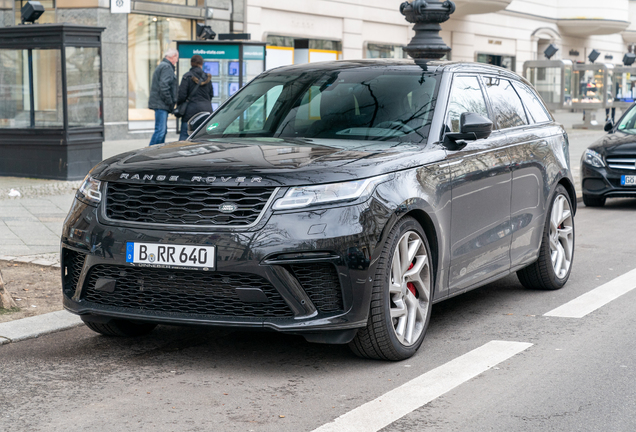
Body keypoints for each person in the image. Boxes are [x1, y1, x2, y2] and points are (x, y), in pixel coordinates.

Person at [176, 54, 214, 141]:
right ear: (202, 64)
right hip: (206, 111)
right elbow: (211, 95)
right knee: (204, 138)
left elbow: (181, 95)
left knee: (185, 138)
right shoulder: (207, 78)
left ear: (191, 63)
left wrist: (180, 105)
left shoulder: (187, 77)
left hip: (190, 112)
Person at [148, 48, 179, 146]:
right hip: (161, 104)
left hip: (160, 103)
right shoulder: (166, 67)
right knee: (160, 131)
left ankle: (157, 152)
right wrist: (170, 102)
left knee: (162, 131)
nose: (177, 61)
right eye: (177, 58)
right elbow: (164, 86)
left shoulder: (163, 66)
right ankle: (149, 153)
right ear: (173, 56)